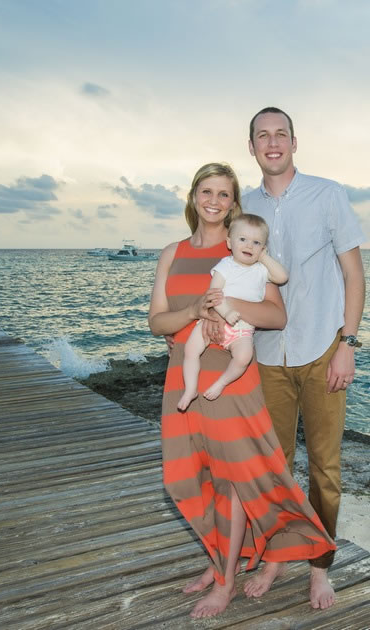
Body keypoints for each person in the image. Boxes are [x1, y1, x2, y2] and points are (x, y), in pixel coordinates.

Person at [148, 162, 335, 619]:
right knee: (188, 477)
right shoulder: (172, 253)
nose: (214, 201)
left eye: (224, 194)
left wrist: (230, 306)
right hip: (184, 374)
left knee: (231, 483)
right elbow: (156, 323)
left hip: (230, 380)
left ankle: (227, 580)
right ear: (194, 197)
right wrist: (195, 310)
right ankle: (218, 562)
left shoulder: (248, 257)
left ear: (234, 205)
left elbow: (276, 317)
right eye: (206, 191)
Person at [241, 107, 367, 610]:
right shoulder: (243, 206)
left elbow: (354, 276)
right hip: (266, 355)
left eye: (280, 134)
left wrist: (348, 345)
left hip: (322, 350)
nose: (272, 143)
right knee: (274, 466)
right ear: (251, 147)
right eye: (262, 136)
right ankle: (276, 556)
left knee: (324, 470)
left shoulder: (329, 194)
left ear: (295, 141)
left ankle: (319, 566)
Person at [176, 214, 288, 411]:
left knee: (244, 357)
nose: (249, 246)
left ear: (263, 248)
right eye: (242, 239)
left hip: (242, 328)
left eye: (256, 243)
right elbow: (214, 294)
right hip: (215, 319)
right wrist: (226, 313)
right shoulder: (225, 266)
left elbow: (282, 276)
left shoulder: (261, 270)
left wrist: (263, 257)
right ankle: (190, 388)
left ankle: (222, 382)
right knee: (191, 351)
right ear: (230, 242)